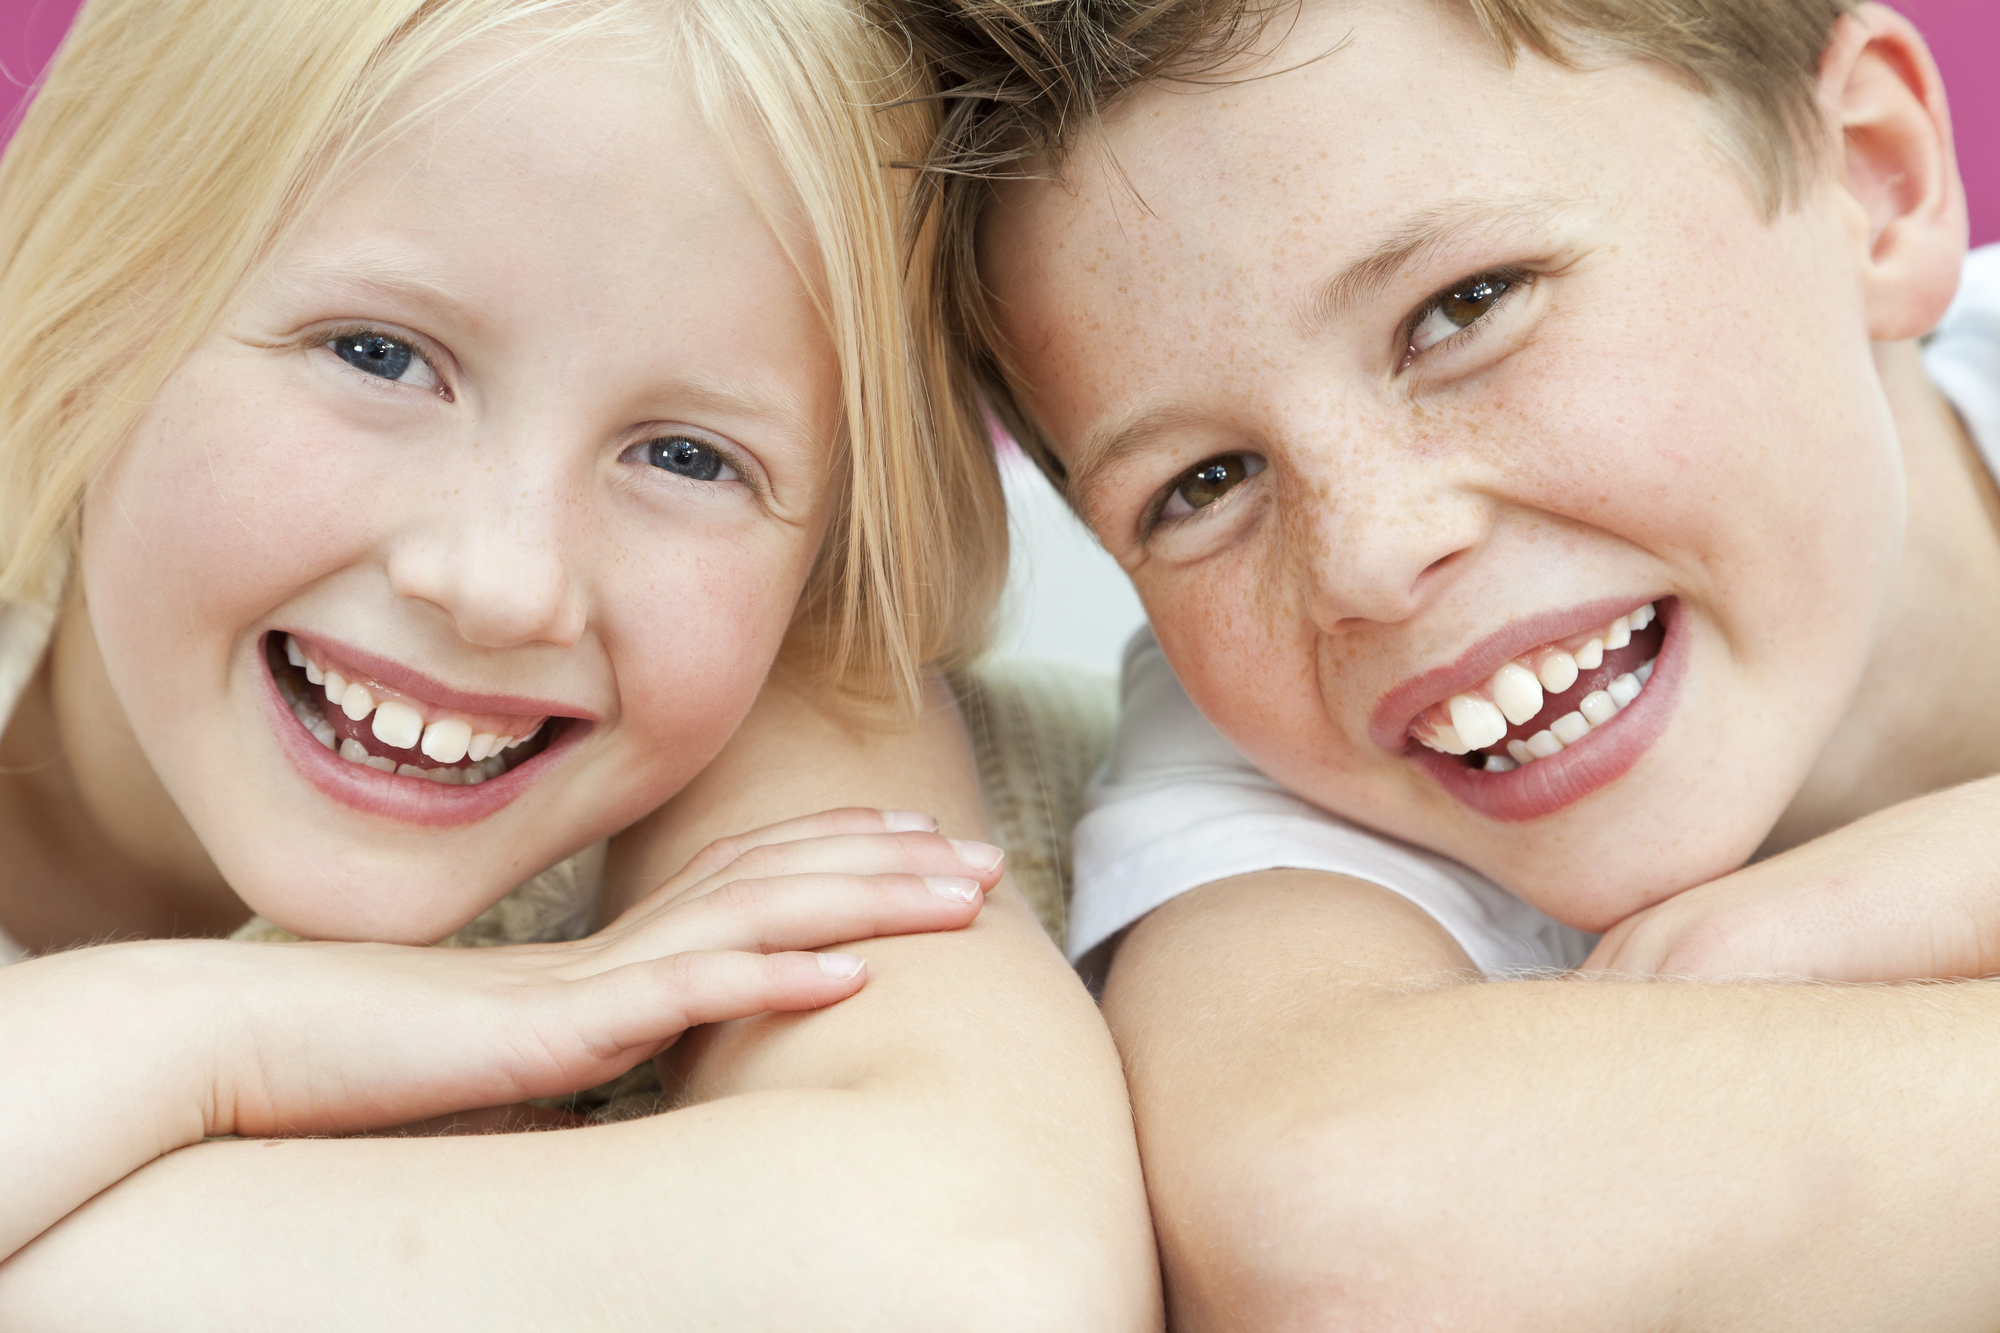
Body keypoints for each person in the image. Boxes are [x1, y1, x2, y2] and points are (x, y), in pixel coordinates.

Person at [0, 0, 1159, 1324]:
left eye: (687, 457)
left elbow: (968, 1278)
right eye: (380, 356)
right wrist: (209, 1024)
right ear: (90, 312)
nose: (504, 584)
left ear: (828, 554)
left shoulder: (786, 745)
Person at [885, 0, 2000, 1323]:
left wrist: (1916, 891)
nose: (1364, 557)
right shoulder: (1272, 759)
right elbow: (1335, 1217)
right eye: (1204, 484)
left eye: (1466, 307)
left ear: (1875, 178)